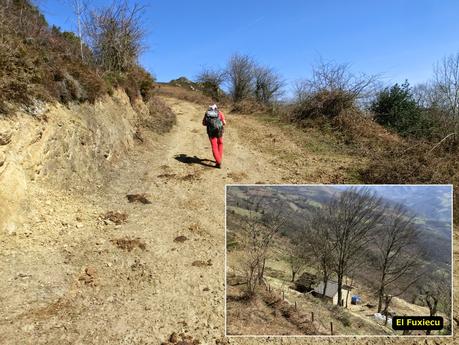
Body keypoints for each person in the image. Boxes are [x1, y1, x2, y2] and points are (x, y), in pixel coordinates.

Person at [202, 104, 226, 168]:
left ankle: (218, 162)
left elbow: (203, 123)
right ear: (216, 108)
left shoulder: (207, 113)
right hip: (219, 131)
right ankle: (219, 159)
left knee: (214, 146)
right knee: (220, 143)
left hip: (211, 132)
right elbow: (224, 123)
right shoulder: (220, 112)